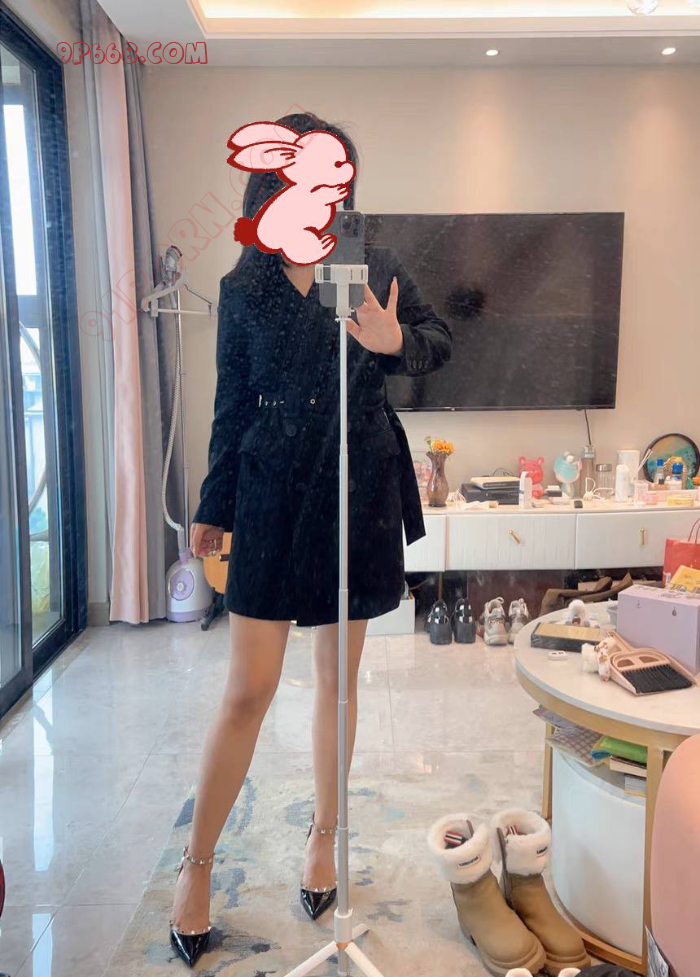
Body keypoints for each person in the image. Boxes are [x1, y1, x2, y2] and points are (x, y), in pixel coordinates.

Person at [169, 111, 451, 968]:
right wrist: (214, 501)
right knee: (248, 688)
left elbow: (438, 342)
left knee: (337, 682)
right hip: (269, 491)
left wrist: (396, 342)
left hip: (355, 486)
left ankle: (325, 838)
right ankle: (197, 864)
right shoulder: (246, 285)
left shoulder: (365, 265)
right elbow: (230, 405)